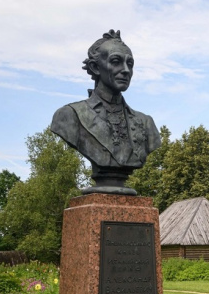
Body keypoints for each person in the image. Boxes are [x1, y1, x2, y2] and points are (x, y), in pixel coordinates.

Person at [51, 30, 161, 194]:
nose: (125, 70)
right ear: (95, 67)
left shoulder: (146, 123)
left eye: (129, 64)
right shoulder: (69, 116)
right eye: (116, 61)